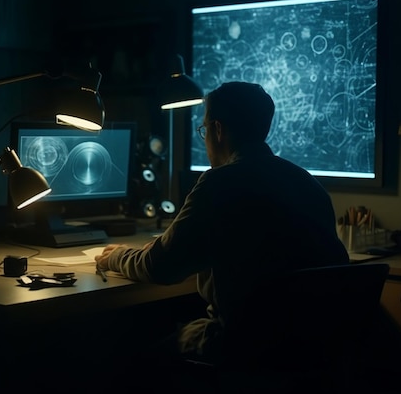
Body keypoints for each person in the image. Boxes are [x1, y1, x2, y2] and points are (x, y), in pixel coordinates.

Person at [94, 81, 349, 369]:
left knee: (126, 360)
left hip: (243, 348)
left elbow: (160, 266)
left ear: (217, 130)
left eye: (204, 130)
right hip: (308, 354)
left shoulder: (220, 182)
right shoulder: (308, 183)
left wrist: (116, 256)